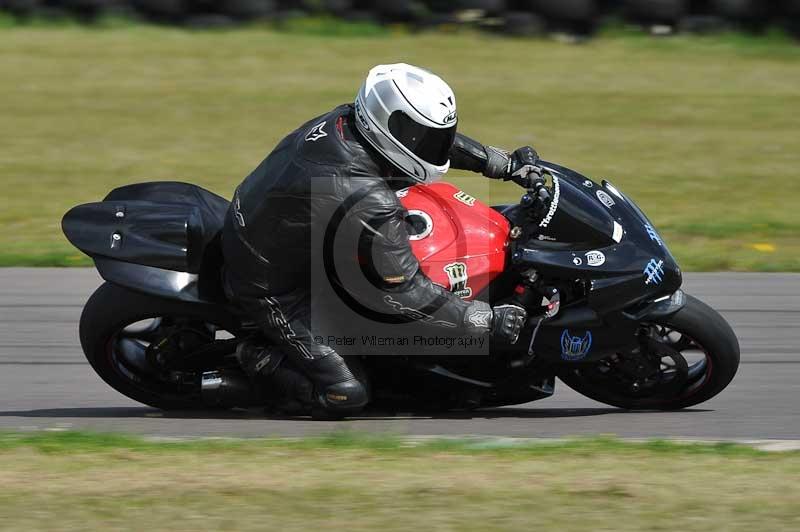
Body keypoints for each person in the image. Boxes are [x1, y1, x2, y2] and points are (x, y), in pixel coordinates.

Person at [222, 63, 539, 416]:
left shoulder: (350, 121)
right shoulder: (364, 193)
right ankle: (255, 356)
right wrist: (482, 320)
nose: (434, 147)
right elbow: (406, 290)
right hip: (273, 284)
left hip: (285, 233)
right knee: (347, 392)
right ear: (387, 124)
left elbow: (429, 146)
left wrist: (499, 163)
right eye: (423, 137)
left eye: (435, 135)